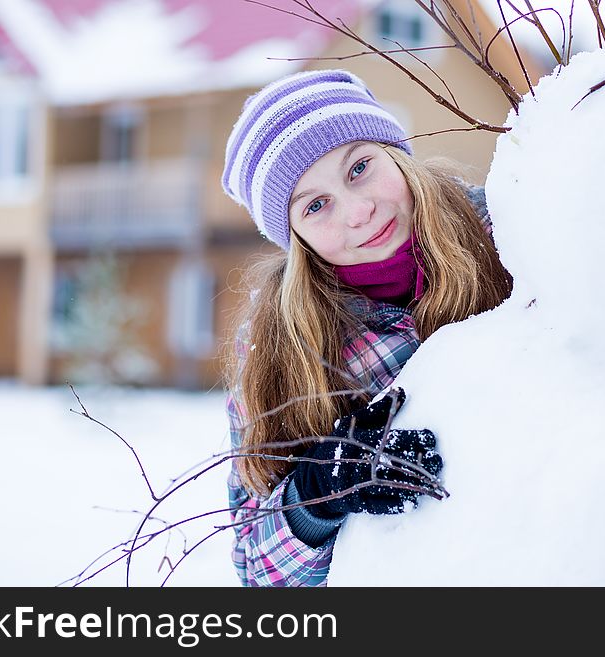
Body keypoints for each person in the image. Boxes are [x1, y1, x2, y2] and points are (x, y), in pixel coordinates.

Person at [220, 69, 512, 586]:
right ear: (296, 236)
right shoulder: (284, 348)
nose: (359, 211)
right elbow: (257, 574)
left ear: (394, 151)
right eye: (315, 205)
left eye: (359, 167)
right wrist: (313, 496)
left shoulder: (511, 231)